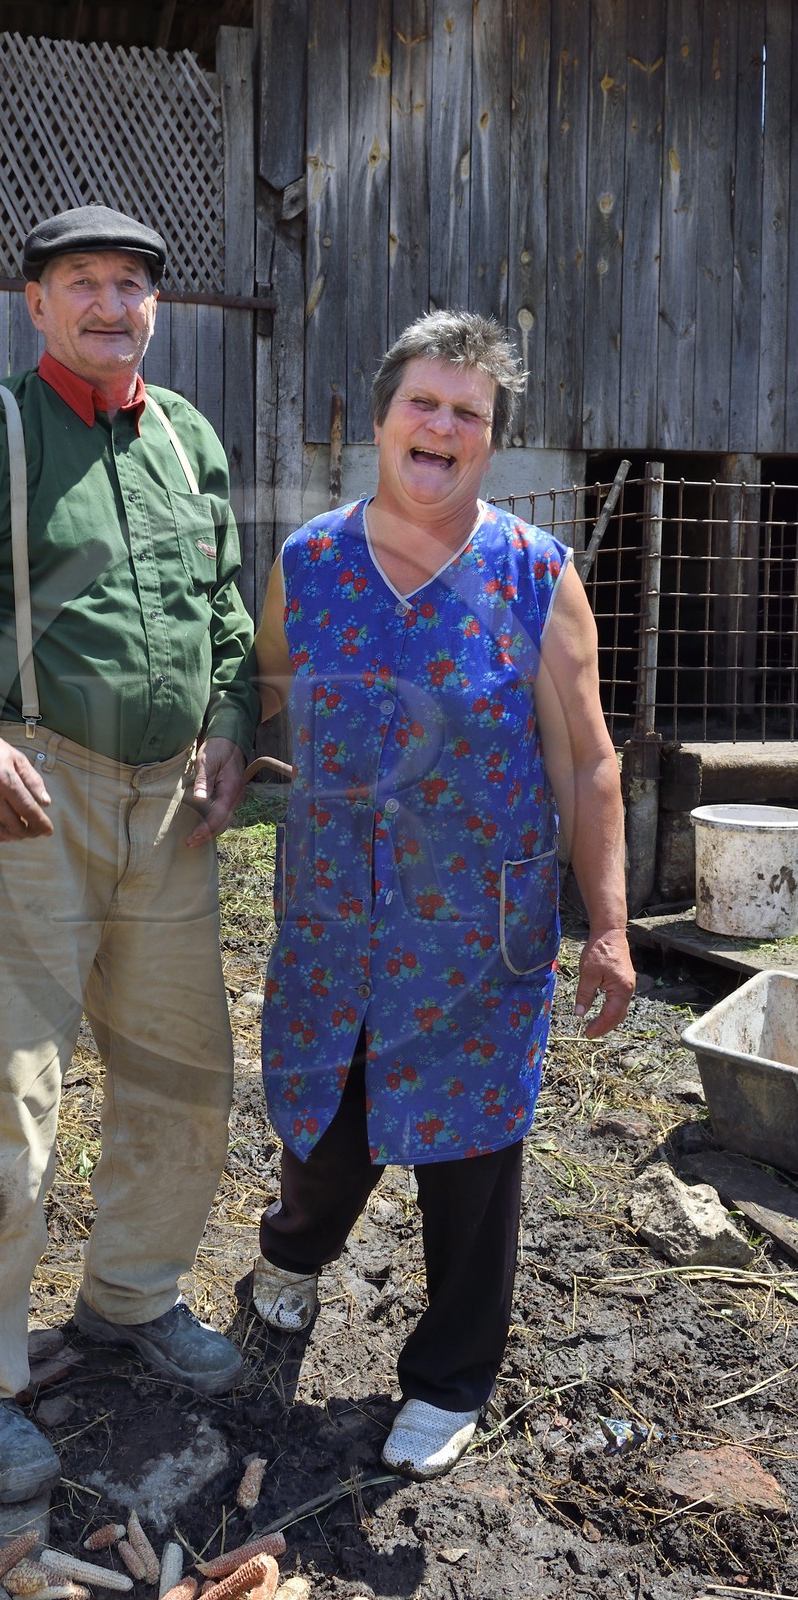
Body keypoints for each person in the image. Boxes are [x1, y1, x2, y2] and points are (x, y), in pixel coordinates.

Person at [0, 204, 258, 1503]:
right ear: (35, 305)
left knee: (184, 1080)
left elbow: (228, 617)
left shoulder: (188, 438)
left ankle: (130, 1297)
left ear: (156, 307)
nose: (109, 304)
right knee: (7, 1112)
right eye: (82, 282)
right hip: (22, 802)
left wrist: (231, 728)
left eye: (131, 284)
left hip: (170, 814)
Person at [248, 310, 635, 1481]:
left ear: (489, 440)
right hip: (335, 915)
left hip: (477, 932)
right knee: (324, 1117)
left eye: (468, 412)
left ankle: (448, 1378)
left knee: (473, 1163)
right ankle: (291, 1256)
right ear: (380, 420)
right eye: (423, 401)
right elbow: (258, 691)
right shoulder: (309, 562)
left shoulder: (535, 574)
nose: (442, 426)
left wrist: (609, 925)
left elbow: (587, 760)